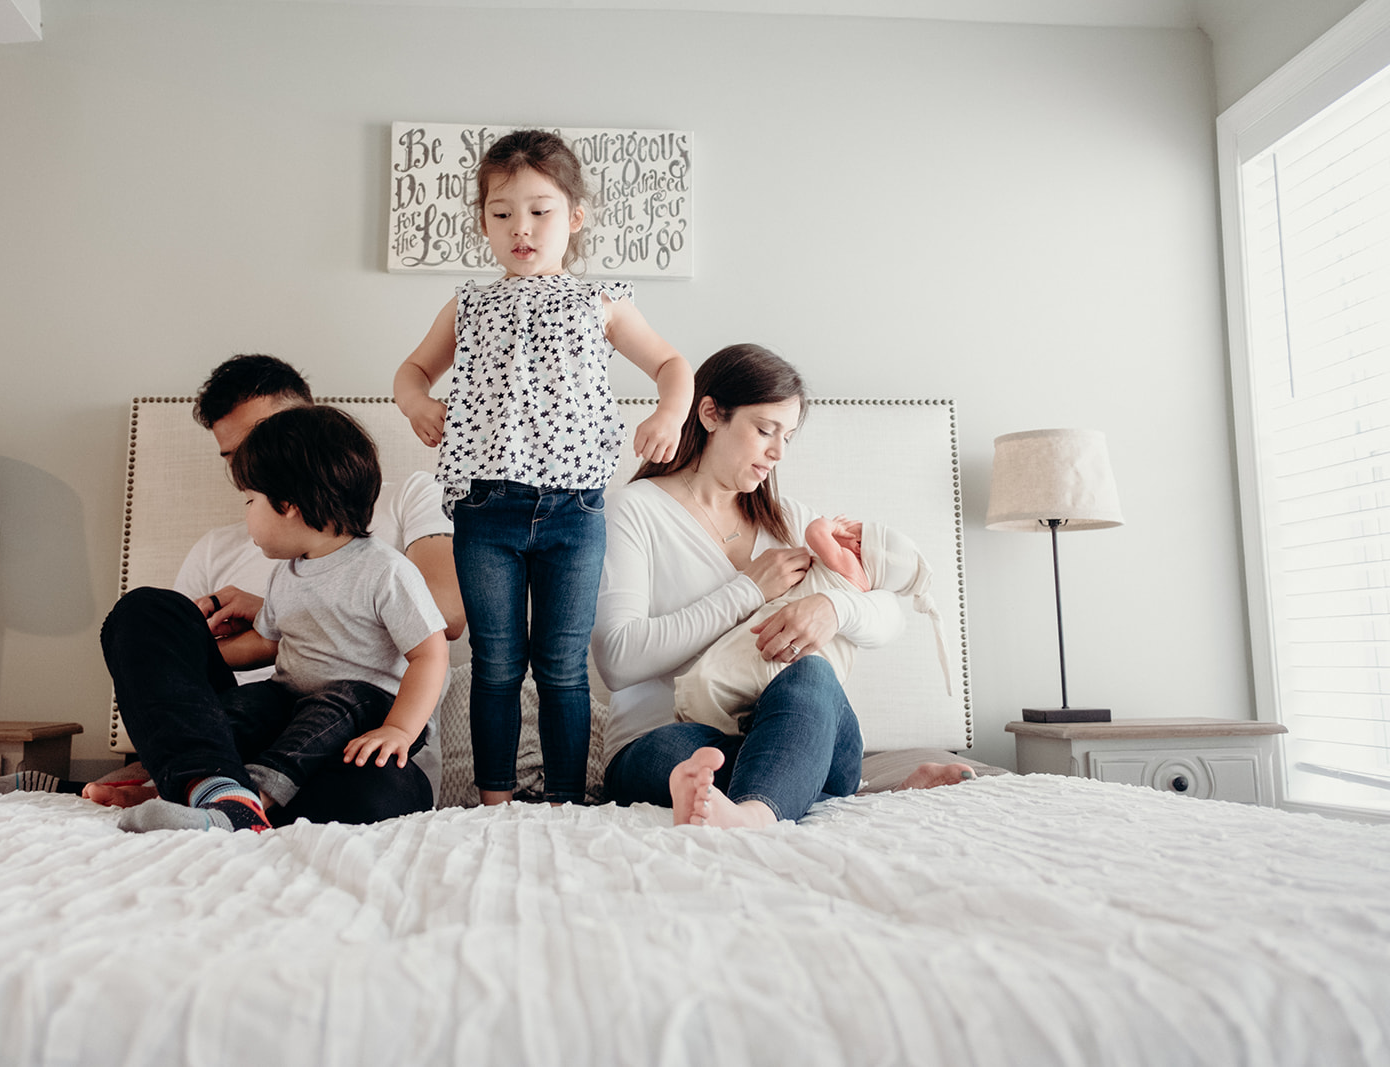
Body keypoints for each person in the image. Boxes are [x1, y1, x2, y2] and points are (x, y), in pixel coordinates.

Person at [0, 354, 463, 819]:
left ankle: (166, 790)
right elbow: (194, 676)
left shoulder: (400, 510)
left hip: (361, 740)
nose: (247, 470)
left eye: (264, 443)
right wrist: (188, 644)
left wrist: (283, 608)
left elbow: (446, 621)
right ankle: (212, 789)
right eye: (235, 458)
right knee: (144, 611)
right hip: (246, 722)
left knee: (370, 797)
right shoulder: (241, 552)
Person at [393, 129, 693, 807]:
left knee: (562, 666)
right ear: (483, 223)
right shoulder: (469, 303)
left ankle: (564, 801)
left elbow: (674, 365)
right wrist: (417, 400)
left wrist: (668, 416)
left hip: (573, 512)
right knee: (496, 666)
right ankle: (494, 801)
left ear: (574, 218)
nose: (520, 228)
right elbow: (411, 370)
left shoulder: (603, 300)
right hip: (484, 510)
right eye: (501, 214)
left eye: (540, 211)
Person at [590, 344, 975, 829]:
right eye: (765, 430)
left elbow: (891, 613)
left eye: (788, 436)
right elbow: (618, 660)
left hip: (799, 724)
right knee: (695, 761)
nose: (778, 452)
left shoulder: (791, 520)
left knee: (812, 675)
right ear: (710, 414)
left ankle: (753, 813)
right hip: (665, 738)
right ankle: (810, 795)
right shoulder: (633, 510)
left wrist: (833, 608)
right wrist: (747, 589)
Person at [114, 405, 449, 833]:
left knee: (336, 701)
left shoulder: (385, 569)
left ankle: (253, 802)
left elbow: (431, 653)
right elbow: (270, 643)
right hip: (293, 699)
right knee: (241, 709)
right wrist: (191, 649)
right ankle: (185, 787)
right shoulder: (287, 573)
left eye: (250, 500)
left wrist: (400, 729)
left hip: (371, 707)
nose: (246, 514)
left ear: (288, 504)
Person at [672, 516, 953, 731]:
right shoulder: (859, 579)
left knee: (711, 682)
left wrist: (829, 527)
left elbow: (815, 531)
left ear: (857, 546)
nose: (846, 522)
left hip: (788, 661)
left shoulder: (847, 564)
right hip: (790, 680)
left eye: (856, 527)